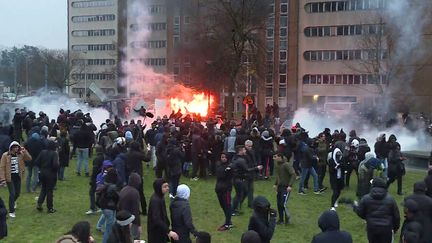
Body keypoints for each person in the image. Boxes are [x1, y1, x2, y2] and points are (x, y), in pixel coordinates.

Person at [353, 177, 400, 243]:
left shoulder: (366, 198)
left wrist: (355, 207)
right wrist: (395, 228)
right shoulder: (390, 199)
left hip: (372, 229)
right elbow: (396, 216)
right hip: (386, 230)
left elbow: (361, 213)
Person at [0, 141, 32, 218]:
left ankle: (13, 202)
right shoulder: (5, 155)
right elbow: (2, 167)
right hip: (9, 178)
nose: (16, 148)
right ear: (11, 148)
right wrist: (3, 179)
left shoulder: (20, 154)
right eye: (14, 147)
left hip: (18, 177)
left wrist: (25, 151)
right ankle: (11, 211)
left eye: (17, 147)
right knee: (12, 193)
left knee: (17, 193)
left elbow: (29, 159)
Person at [231, 145, 262, 215]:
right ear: (240, 151)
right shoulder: (240, 160)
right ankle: (233, 209)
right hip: (238, 179)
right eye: (244, 150)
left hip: (239, 178)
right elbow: (247, 170)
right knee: (239, 194)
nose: (245, 151)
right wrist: (256, 168)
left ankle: (236, 206)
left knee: (245, 192)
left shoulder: (238, 158)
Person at [148, 178, 179, 243]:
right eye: (165, 187)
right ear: (159, 188)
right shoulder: (155, 200)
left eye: (167, 186)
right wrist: (168, 231)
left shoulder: (160, 197)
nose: (167, 188)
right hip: (156, 232)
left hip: (161, 230)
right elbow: (156, 219)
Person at [35, 140, 59, 213]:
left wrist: (41, 167)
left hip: (42, 173)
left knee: (43, 189)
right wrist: (55, 169)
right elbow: (55, 164)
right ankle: (50, 208)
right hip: (50, 174)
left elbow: (36, 162)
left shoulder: (43, 152)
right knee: (49, 191)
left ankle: (39, 203)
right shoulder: (54, 154)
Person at [273, 153, 296, 225]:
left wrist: (290, 185)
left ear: (280, 157)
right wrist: (275, 184)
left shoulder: (286, 165)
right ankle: (281, 220)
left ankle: (287, 218)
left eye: (275, 157)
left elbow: (293, 174)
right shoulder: (277, 165)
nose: (274, 158)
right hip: (280, 187)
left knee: (283, 204)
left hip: (285, 187)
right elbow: (278, 176)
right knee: (279, 204)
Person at [118, 172, 141, 240]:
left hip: (123, 218)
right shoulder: (135, 193)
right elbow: (136, 210)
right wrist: (138, 225)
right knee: (135, 238)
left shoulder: (123, 189)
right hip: (131, 220)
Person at [215, 153, 233, 231]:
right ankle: (228, 221)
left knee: (227, 206)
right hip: (219, 188)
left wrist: (228, 169)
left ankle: (227, 224)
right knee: (223, 205)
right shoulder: (219, 165)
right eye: (222, 157)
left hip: (226, 189)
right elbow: (219, 175)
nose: (223, 158)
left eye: (225, 157)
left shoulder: (230, 166)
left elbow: (226, 175)